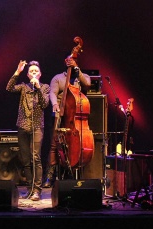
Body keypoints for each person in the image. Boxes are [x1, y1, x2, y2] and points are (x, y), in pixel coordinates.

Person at [42, 55, 91, 188]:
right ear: (65, 61)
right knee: (54, 146)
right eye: (69, 60)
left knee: (74, 146)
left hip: (74, 118)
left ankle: (71, 173)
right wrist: (54, 105)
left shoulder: (83, 77)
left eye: (74, 60)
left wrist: (76, 69)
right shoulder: (58, 78)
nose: (71, 61)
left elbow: (87, 84)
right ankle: (49, 176)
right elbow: (52, 93)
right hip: (59, 115)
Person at [6, 60, 50, 201]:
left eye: (35, 71)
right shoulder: (23, 87)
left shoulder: (44, 87)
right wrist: (17, 72)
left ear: (40, 74)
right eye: (31, 71)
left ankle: (37, 190)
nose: (33, 73)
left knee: (36, 158)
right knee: (25, 160)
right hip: (23, 126)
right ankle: (29, 189)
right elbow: (9, 88)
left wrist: (37, 88)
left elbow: (45, 104)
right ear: (28, 74)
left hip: (37, 127)